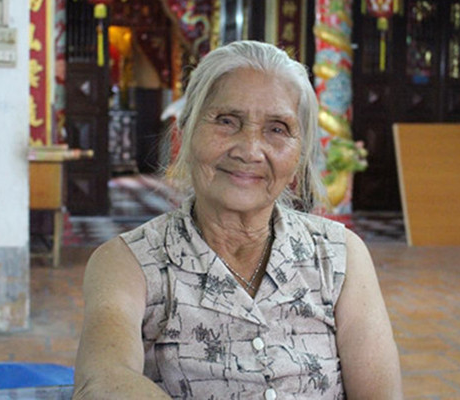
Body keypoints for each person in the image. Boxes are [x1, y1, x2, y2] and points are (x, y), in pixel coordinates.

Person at [73, 40, 402, 399]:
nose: (249, 150)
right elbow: (103, 379)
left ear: (299, 156)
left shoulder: (339, 257)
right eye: (227, 121)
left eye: (277, 129)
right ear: (184, 136)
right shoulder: (128, 263)